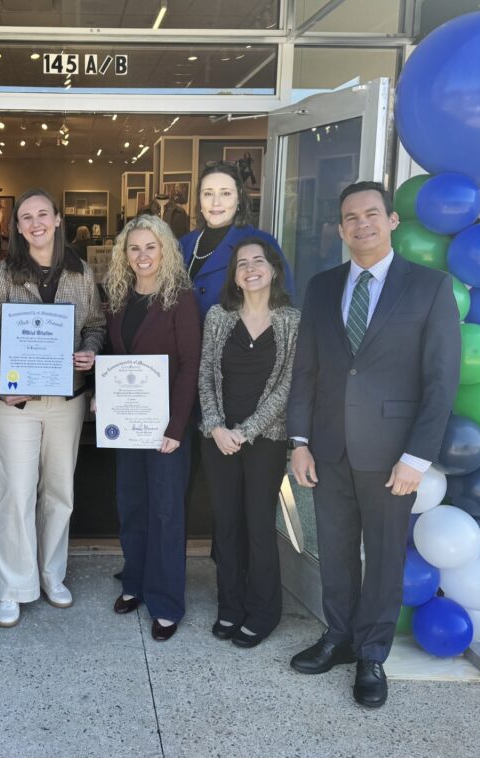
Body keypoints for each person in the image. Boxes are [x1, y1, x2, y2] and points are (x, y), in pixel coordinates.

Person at [286, 181, 460, 708]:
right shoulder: (321, 287)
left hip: (392, 456)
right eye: (350, 218)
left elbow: (441, 379)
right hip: (329, 448)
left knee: (384, 557)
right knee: (336, 552)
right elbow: (306, 371)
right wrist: (299, 441)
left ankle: (372, 654)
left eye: (370, 214)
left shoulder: (429, 287)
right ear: (339, 229)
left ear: (391, 221)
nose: (361, 224)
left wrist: (417, 457)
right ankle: (338, 637)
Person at [0, 188, 106, 628]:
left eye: (42, 214)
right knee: (17, 493)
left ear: (58, 219)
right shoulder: (2, 275)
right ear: (18, 227)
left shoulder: (81, 273)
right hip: (15, 405)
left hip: (67, 401)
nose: (35, 223)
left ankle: (51, 575)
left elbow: (97, 326)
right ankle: (13, 586)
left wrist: (89, 351)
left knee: (59, 493)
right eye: (26, 217)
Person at [97, 215, 200, 641]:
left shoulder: (182, 299)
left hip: (167, 430)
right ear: (125, 253)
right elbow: (112, 355)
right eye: (134, 248)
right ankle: (135, 583)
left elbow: (190, 366)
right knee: (133, 506)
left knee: (165, 513)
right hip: (129, 426)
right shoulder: (118, 297)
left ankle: (166, 602)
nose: (142, 256)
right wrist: (102, 391)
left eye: (151, 247)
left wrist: (176, 427)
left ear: (165, 252)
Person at [197, 237, 299, 649]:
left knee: (258, 524)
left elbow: (288, 386)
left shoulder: (293, 320)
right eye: (242, 263)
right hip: (218, 439)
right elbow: (205, 374)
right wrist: (217, 426)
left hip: (266, 439)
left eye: (259, 261)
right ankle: (230, 605)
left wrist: (247, 430)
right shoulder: (218, 316)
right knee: (226, 525)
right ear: (234, 276)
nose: (251, 268)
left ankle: (263, 611)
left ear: (273, 270)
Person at [180, 162, 293, 319]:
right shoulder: (183, 244)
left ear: (239, 197)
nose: (215, 202)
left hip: (236, 342)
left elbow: (283, 304)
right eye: (208, 193)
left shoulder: (261, 242)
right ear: (200, 198)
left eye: (225, 193)